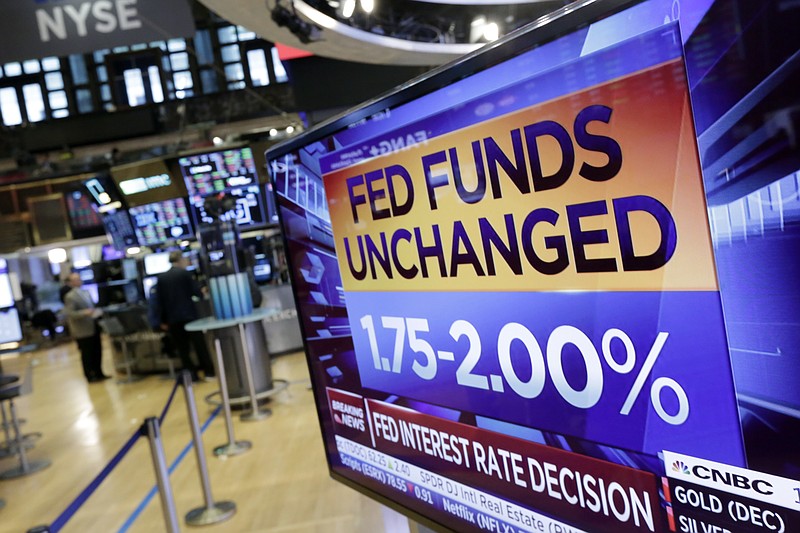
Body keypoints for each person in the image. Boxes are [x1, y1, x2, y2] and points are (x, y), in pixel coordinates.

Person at [156, 251, 215, 382]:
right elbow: (196, 293)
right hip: (190, 317)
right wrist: (202, 291)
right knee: (200, 347)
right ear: (180, 259)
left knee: (183, 351)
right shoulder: (185, 274)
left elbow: (159, 301)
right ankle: (209, 372)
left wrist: (162, 320)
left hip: (173, 319)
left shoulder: (161, 278)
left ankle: (192, 376)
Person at [63, 273, 109, 383]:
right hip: (82, 330)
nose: (78, 281)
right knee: (87, 354)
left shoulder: (86, 292)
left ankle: (99, 372)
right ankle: (90, 375)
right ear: (70, 283)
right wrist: (85, 312)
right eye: (75, 280)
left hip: (93, 325)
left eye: (79, 279)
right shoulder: (70, 296)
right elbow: (71, 314)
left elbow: (92, 306)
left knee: (97, 351)